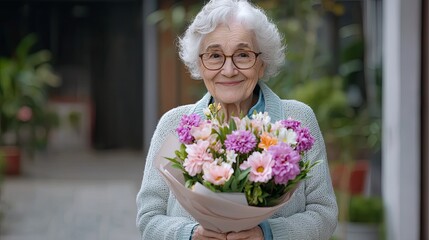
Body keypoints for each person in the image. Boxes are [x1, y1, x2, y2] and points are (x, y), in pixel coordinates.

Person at [136, 0, 338, 239]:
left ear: (262, 64)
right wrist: (189, 234)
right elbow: (148, 217)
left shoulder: (298, 121)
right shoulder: (174, 124)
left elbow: (324, 213)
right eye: (214, 55)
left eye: (243, 55)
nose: (229, 70)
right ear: (200, 65)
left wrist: (269, 234)